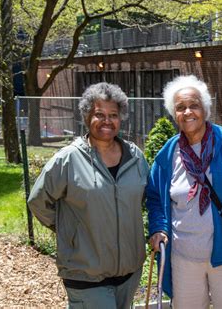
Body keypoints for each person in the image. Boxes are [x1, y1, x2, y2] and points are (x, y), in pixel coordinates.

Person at [146, 75, 222, 308]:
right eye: (180, 107)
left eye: (194, 105)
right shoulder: (167, 154)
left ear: (205, 109)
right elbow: (154, 198)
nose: (188, 112)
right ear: (174, 114)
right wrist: (158, 227)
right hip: (183, 259)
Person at [28, 82, 148, 308]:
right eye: (99, 114)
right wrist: (68, 229)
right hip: (85, 274)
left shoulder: (135, 157)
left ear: (120, 118)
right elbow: (38, 201)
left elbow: (141, 198)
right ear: (86, 116)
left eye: (113, 114)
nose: (107, 121)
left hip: (129, 272)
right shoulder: (68, 160)